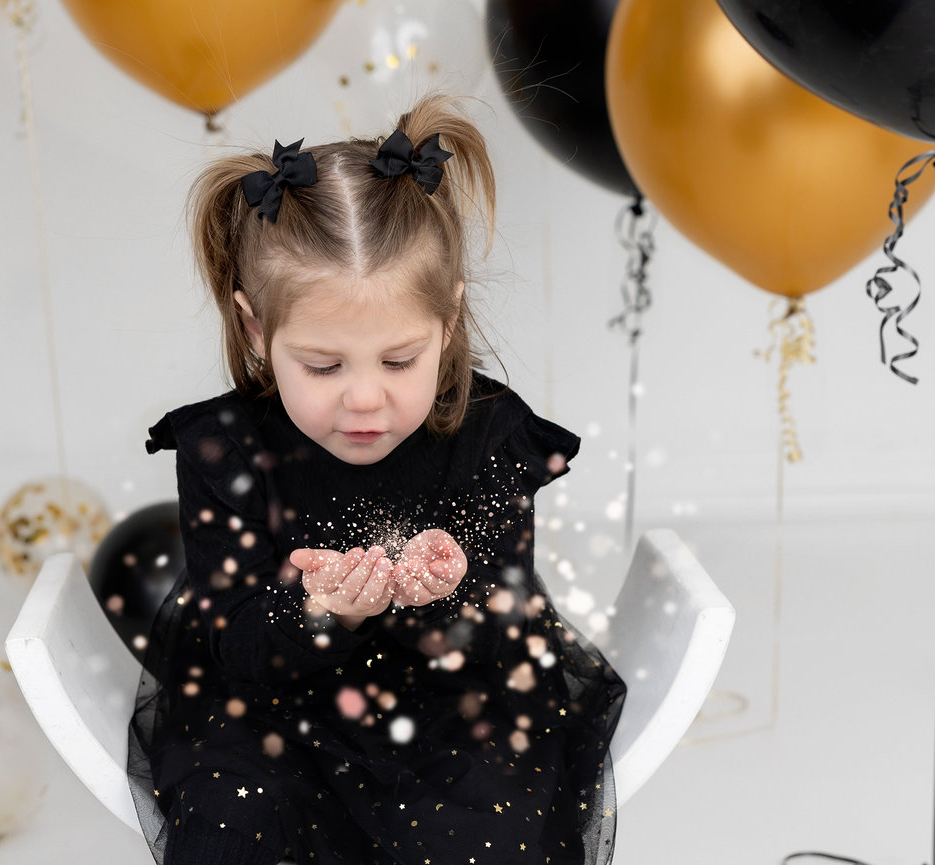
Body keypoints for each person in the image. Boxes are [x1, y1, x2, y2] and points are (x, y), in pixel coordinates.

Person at [128, 93, 625, 865]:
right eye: (323, 365)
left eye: (399, 360)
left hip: (448, 713)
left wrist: (456, 589)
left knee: (485, 820)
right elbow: (233, 645)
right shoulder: (227, 452)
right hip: (275, 715)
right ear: (257, 329)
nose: (365, 397)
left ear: (448, 323)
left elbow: (508, 635)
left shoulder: (488, 439)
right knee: (235, 813)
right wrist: (316, 609)